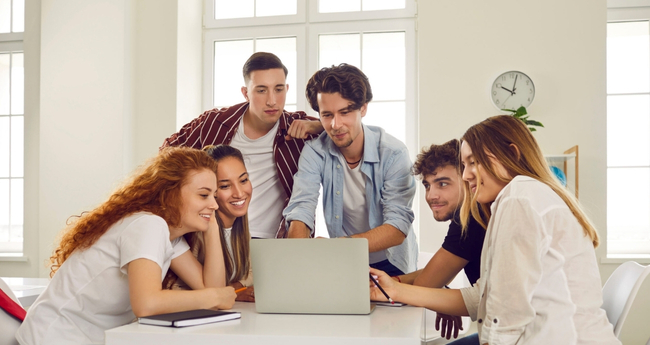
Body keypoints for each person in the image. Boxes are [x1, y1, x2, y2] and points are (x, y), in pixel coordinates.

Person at [369, 115, 620, 344]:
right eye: (464, 165)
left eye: (473, 162)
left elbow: (507, 318)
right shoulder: (519, 197)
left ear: (511, 154)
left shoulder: (519, 198)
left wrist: (401, 288)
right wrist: (395, 288)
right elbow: (484, 298)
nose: (467, 175)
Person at [16, 147, 237, 345]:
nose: (215, 204)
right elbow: (147, 303)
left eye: (215, 196)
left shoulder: (169, 235)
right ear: (170, 193)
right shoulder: (148, 225)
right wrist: (215, 297)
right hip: (52, 338)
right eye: (204, 195)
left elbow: (212, 288)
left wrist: (212, 230)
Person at [161, 52, 323, 239]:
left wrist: (317, 125)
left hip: (270, 242)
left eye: (278, 89)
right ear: (246, 93)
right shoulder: (214, 122)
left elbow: (343, 130)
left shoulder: (298, 128)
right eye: (261, 90)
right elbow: (166, 156)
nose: (271, 100)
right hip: (212, 236)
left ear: (286, 89)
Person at [284, 63, 418, 276]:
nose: (336, 124)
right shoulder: (315, 152)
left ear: (363, 108)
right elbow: (302, 207)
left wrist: (336, 246)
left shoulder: (393, 153)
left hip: (392, 261)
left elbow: (397, 227)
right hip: (345, 260)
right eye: (327, 115)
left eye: (345, 112)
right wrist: (298, 256)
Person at [394, 139, 484, 343]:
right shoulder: (472, 215)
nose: (431, 195)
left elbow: (426, 283)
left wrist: (392, 285)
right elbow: (440, 272)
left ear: (467, 179)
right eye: (427, 185)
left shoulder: (469, 218)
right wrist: (395, 282)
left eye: (443, 184)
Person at [168, 145, 256, 302]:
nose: (239, 193)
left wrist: (232, 289)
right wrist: (234, 292)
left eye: (243, 180)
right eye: (225, 186)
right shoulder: (193, 232)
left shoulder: (241, 228)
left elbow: (251, 274)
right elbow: (179, 289)